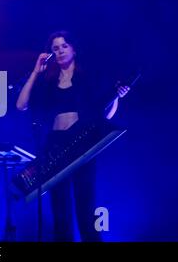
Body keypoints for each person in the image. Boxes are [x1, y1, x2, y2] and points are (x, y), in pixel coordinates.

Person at [16, 31, 130, 242]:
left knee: (85, 208)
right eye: (55, 48)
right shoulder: (48, 82)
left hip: (82, 146)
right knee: (61, 213)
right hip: (56, 147)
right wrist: (35, 72)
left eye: (64, 46)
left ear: (73, 49)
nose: (59, 51)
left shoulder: (87, 78)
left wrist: (117, 98)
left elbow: (103, 115)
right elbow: (21, 105)